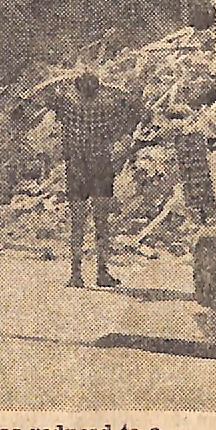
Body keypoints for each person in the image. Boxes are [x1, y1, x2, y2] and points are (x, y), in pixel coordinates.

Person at [54, 70, 141, 289]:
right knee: (101, 221)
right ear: (97, 89)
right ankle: (102, 272)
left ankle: (76, 274)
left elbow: (57, 110)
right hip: (101, 166)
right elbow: (125, 121)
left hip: (76, 168)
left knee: (77, 222)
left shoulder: (69, 108)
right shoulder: (106, 109)